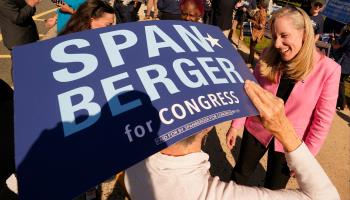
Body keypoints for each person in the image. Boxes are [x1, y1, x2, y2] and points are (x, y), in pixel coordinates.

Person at [124, 80, 340, 200]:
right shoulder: (213, 195)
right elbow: (325, 197)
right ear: (208, 125)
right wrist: (284, 129)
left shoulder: (130, 166)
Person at [226, 6, 341, 190]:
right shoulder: (269, 55)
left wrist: (305, 158)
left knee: (275, 188)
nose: (277, 43)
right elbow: (249, 91)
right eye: (275, 35)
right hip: (257, 128)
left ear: (304, 34)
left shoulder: (328, 70)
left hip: (290, 141)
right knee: (240, 174)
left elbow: (322, 122)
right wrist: (236, 125)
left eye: (284, 35)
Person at [332, 24, 350, 110]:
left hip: (345, 63)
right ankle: (340, 103)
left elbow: (337, 46)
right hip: (347, 64)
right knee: (340, 82)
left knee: (339, 83)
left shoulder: (348, 35)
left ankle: (342, 103)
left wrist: (333, 40)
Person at [248, 0, 267, 66]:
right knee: (251, 47)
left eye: (260, 3)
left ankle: (250, 62)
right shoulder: (260, 11)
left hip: (256, 34)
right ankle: (250, 60)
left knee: (252, 48)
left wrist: (252, 22)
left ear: (261, 5)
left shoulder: (262, 13)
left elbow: (261, 26)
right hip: (254, 32)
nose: (258, 4)